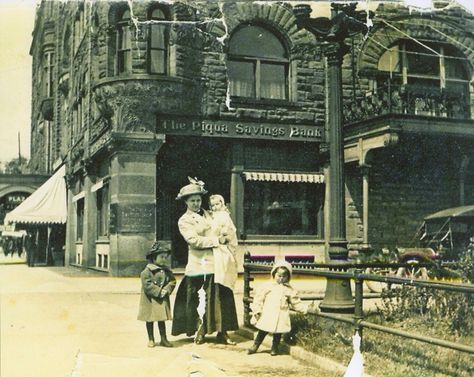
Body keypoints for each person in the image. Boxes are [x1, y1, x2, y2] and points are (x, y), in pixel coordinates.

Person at [171, 177, 239, 345]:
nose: (196, 203)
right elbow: (194, 241)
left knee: (221, 299)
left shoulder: (212, 214)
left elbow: (225, 228)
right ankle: (200, 331)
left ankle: (222, 332)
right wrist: (217, 241)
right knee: (200, 299)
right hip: (199, 264)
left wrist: (226, 236)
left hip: (218, 263)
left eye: (198, 200)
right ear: (186, 202)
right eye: (192, 200)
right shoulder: (184, 220)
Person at [247, 260, 309, 356]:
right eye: (279, 276)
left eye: (284, 276)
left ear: (288, 277)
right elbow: (259, 298)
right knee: (263, 330)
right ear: (273, 274)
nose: (281, 278)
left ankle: (274, 347)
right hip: (269, 313)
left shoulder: (289, 290)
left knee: (278, 332)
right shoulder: (268, 286)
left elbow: (295, 301)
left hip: (281, 314)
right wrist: (257, 310)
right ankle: (255, 345)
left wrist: (305, 309)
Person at [137, 240, 176, 348]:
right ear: (154, 258)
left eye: (165, 257)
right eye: (161, 257)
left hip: (161, 299)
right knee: (150, 319)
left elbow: (172, 281)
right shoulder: (147, 271)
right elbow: (147, 285)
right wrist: (159, 291)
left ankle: (163, 339)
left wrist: (167, 290)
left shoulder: (167, 271)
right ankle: (151, 339)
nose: (164, 260)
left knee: (161, 319)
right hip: (150, 300)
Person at [207, 194, 238, 291]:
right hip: (213, 244)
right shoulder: (211, 216)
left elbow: (228, 231)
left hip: (222, 245)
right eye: (213, 205)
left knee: (224, 267)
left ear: (222, 204)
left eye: (217, 204)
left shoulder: (224, 215)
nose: (215, 207)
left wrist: (222, 234)